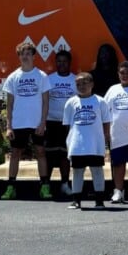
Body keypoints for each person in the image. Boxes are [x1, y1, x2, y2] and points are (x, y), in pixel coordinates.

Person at [0, 41, 50, 200]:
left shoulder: (41, 76)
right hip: (18, 123)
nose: (25, 56)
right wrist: (9, 126)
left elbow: (45, 102)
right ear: (19, 56)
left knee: (40, 152)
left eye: (28, 53)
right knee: (15, 153)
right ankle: (11, 187)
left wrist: (43, 123)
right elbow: (9, 103)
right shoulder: (13, 77)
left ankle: (44, 186)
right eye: (22, 54)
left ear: (34, 56)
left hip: (36, 123)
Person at [62, 72, 111, 210]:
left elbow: (106, 122)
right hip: (77, 145)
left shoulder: (100, 101)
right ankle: (76, 200)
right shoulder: (70, 103)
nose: (81, 86)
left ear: (92, 84)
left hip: (95, 143)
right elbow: (67, 125)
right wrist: (70, 142)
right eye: (78, 84)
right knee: (77, 171)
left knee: (97, 171)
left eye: (84, 83)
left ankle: (99, 201)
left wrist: (106, 140)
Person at [104, 61, 128, 204]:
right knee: (118, 164)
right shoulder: (113, 90)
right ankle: (118, 191)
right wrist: (106, 132)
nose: (125, 75)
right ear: (118, 74)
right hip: (117, 134)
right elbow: (105, 112)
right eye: (122, 73)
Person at [44, 49, 77, 199]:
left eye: (64, 61)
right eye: (59, 61)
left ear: (69, 63)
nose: (61, 64)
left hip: (68, 123)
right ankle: (46, 185)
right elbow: (43, 101)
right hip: (51, 121)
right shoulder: (49, 79)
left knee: (65, 155)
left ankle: (65, 184)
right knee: (49, 155)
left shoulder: (75, 80)